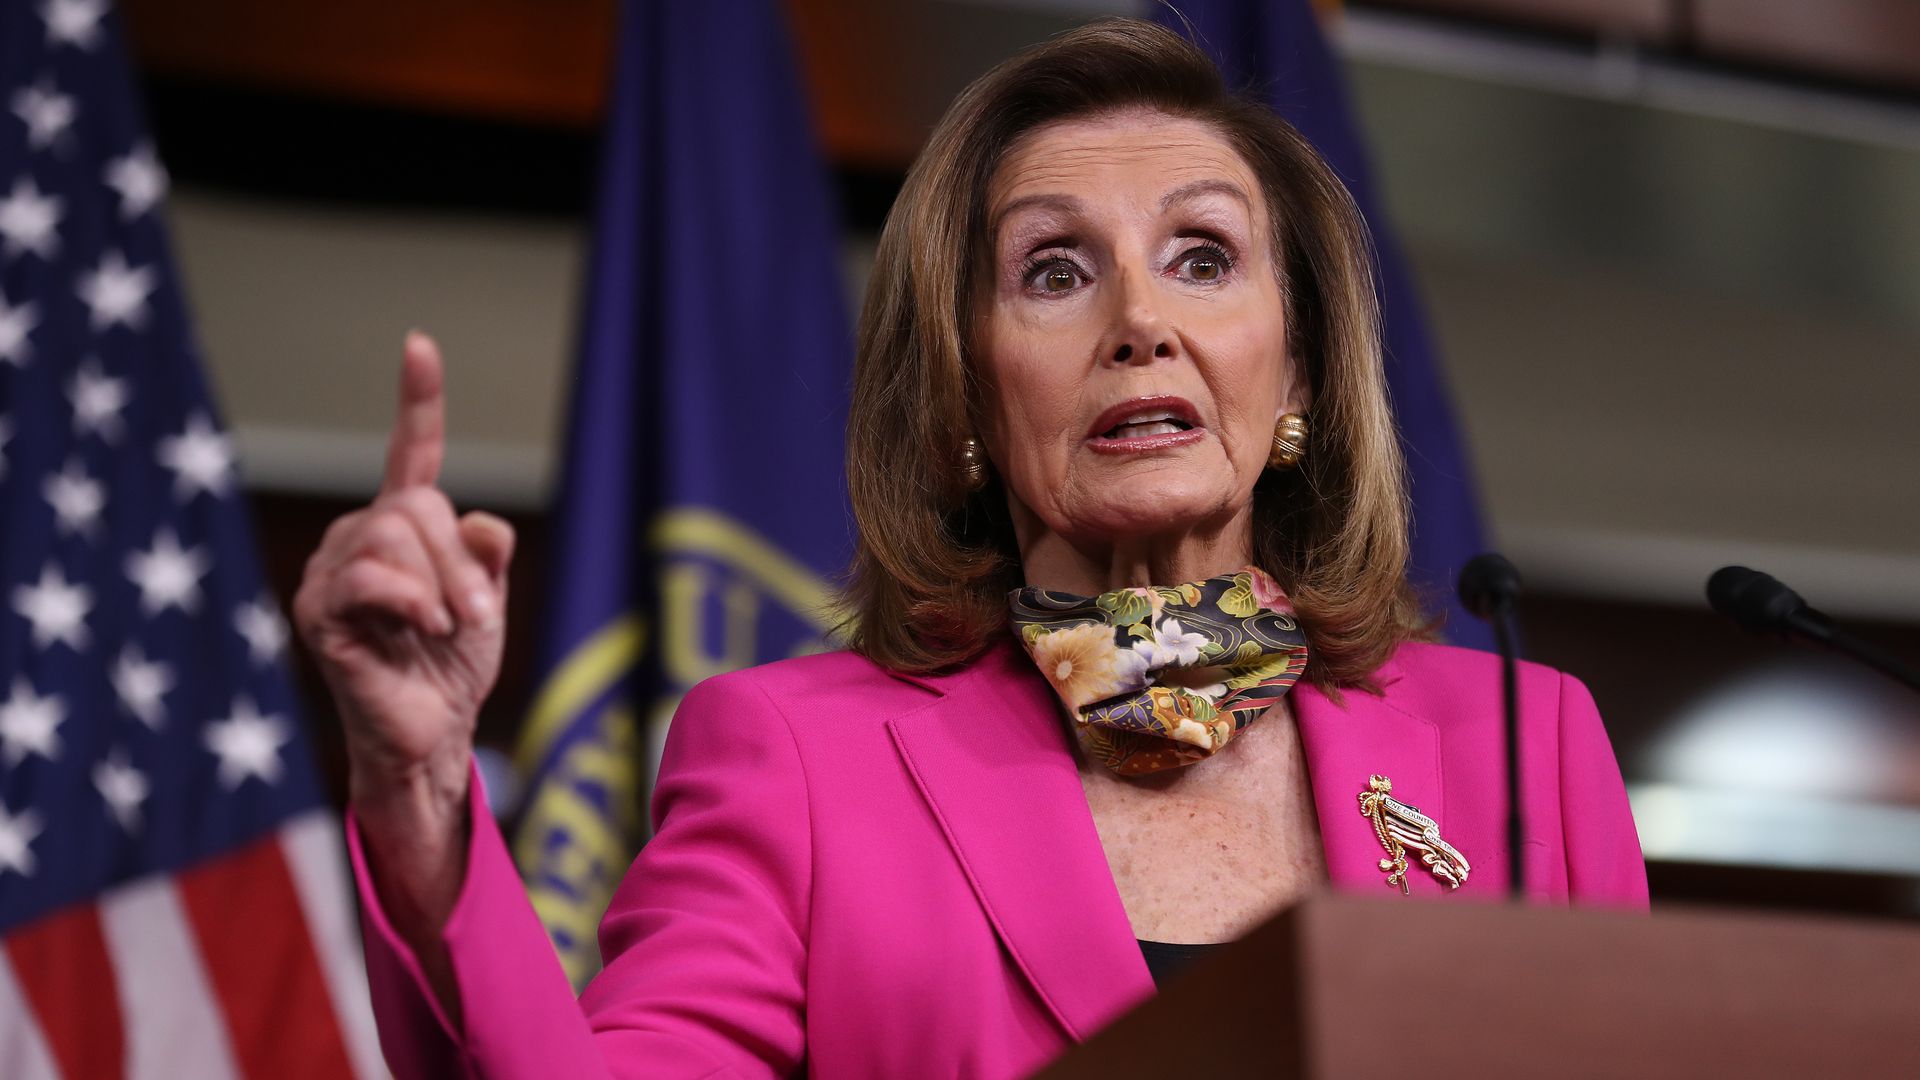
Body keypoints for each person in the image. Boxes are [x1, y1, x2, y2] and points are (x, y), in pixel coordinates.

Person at [294, 18, 1646, 1080]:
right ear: (963, 402)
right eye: (1054, 271)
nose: (1140, 321)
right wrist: (420, 786)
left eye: (1202, 256)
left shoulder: (1527, 748)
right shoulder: (797, 764)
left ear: (1297, 374)